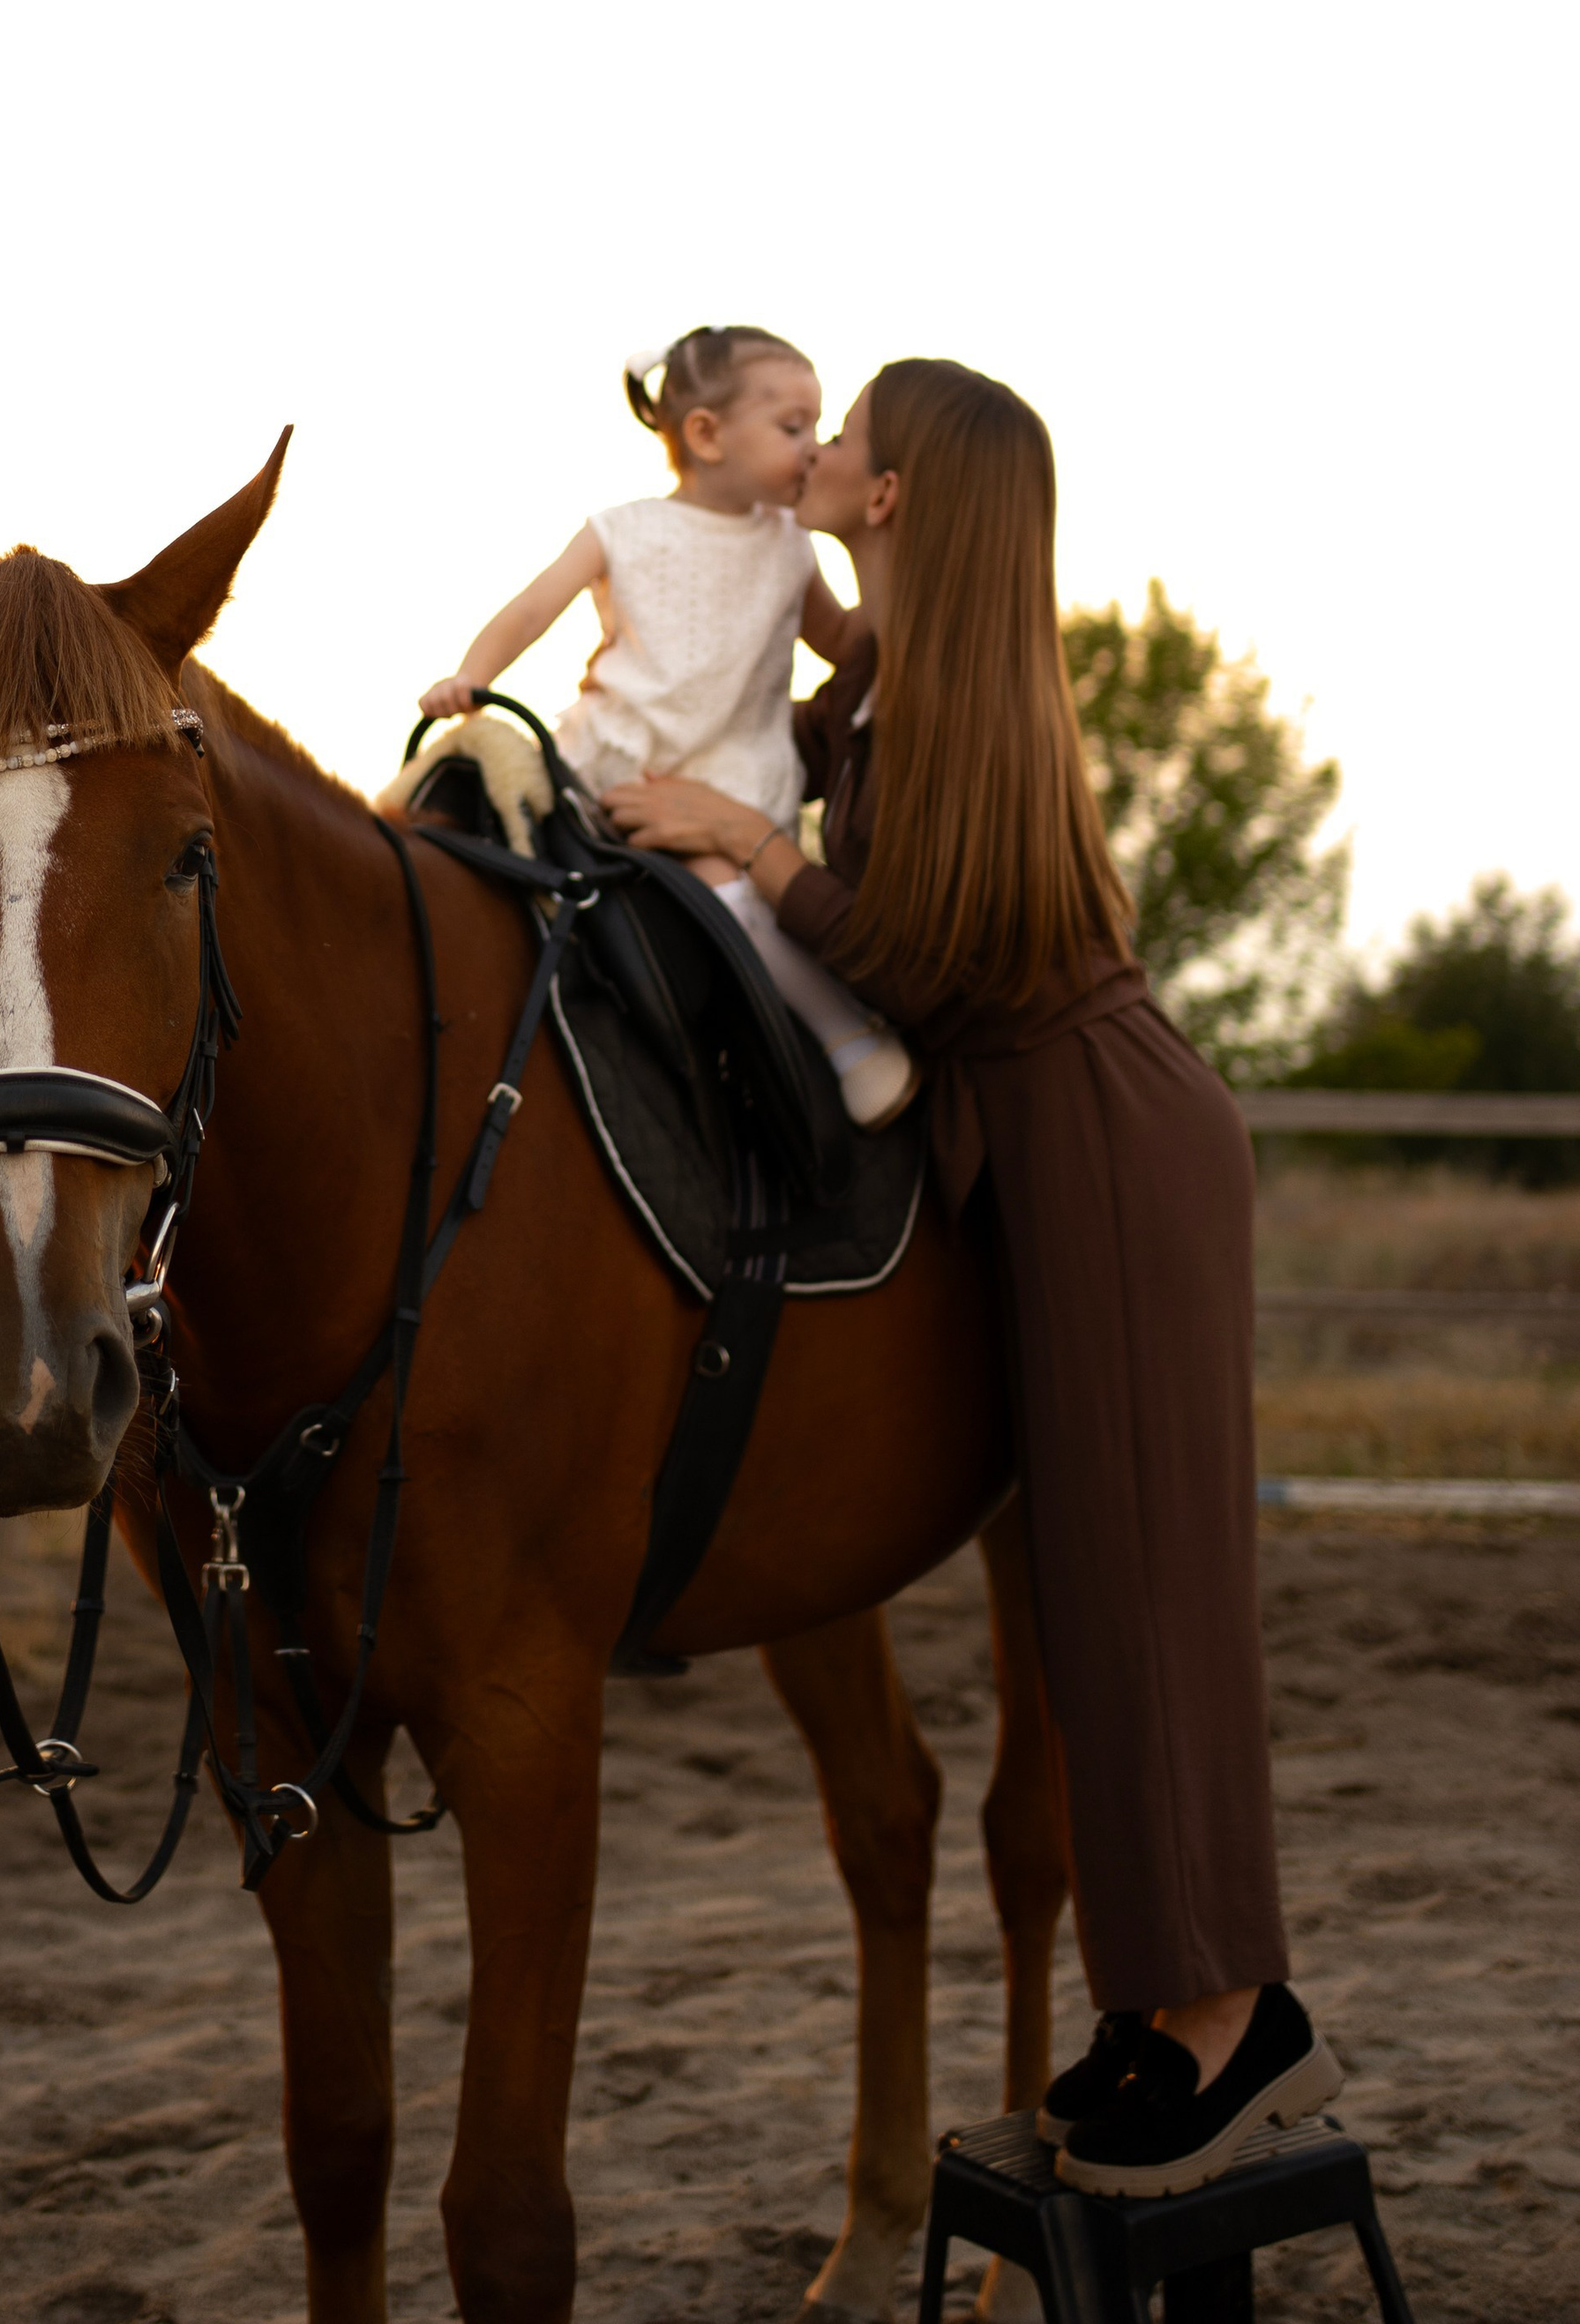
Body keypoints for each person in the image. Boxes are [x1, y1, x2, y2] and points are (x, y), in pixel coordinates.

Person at [606, 357, 1339, 2200]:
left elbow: (924, 969)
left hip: (1102, 1142)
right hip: (1060, 1136)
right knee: (1096, 1599)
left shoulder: (955, 695)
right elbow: (757, 684)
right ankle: (1164, 2001)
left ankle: (1234, 2020)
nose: (823, 448)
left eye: (849, 433)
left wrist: (747, 842)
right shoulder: (900, 663)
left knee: (1146, 1593)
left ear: (900, 492)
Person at [417, 323, 915, 1128]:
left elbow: (843, 637)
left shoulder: (789, 544)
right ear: (707, 435)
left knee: (732, 893)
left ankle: (845, 1033)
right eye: (793, 428)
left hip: (727, 776)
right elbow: (534, 607)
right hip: (623, 765)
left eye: (820, 429)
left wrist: (914, 586)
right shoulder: (625, 530)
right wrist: (473, 677)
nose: (814, 450)